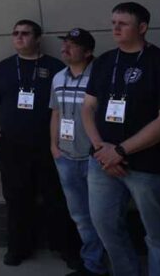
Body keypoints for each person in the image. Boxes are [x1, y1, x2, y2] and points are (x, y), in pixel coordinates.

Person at [82, 2, 160, 276]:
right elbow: (87, 108)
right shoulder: (103, 62)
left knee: (158, 236)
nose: (115, 28)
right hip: (102, 163)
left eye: (123, 23)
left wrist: (120, 150)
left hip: (147, 166)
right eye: (113, 22)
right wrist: (102, 148)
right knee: (106, 226)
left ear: (143, 27)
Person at [0, 19, 78, 267]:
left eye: (25, 33)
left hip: (49, 147)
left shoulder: (55, 68)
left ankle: (65, 247)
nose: (19, 37)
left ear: (37, 38)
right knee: (16, 200)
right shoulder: (4, 68)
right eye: (15, 33)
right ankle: (17, 248)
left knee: (56, 198)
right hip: (12, 148)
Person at [49, 29, 107, 276]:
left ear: (88, 51)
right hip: (66, 157)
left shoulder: (100, 77)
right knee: (81, 216)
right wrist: (54, 146)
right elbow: (56, 113)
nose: (65, 48)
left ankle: (105, 263)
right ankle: (93, 265)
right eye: (65, 44)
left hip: (95, 158)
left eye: (72, 45)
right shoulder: (58, 78)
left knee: (103, 216)